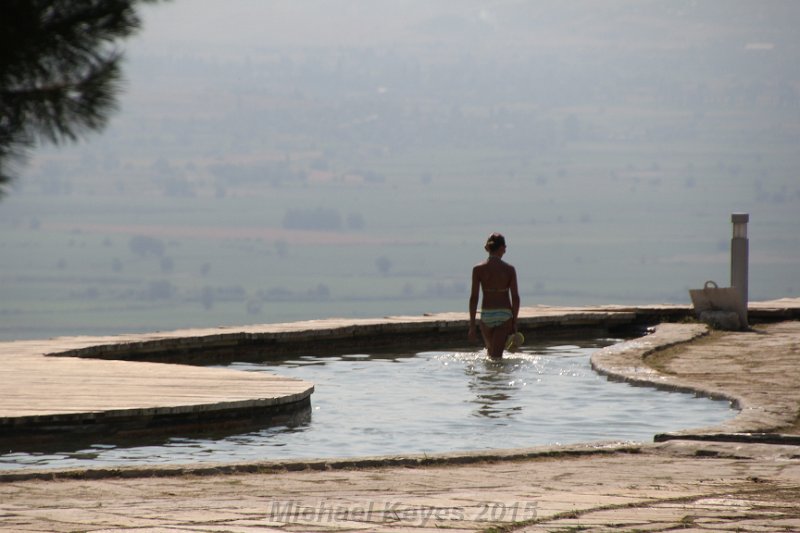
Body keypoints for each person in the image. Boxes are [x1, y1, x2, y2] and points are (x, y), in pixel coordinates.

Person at [468, 232, 521, 359]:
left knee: (491, 354)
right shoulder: (509, 269)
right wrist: (514, 321)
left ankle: (488, 378)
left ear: (488, 248)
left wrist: (472, 326)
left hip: (486, 316)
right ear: (502, 249)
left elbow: (474, 298)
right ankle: (498, 378)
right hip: (504, 315)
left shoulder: (478, 269)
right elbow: (515, 297)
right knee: (496, 358)